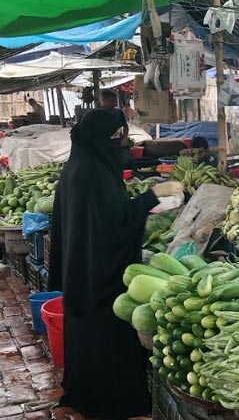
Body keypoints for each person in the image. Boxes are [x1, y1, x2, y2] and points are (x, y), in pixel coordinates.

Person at [48, 108, 183, 420]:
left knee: (85, 340)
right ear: (99, 138)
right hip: (100, 277)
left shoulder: (79, 166)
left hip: (82, 269)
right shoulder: (92, 174)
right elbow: (114, 225)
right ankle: (111, 401)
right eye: (116, 137)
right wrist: (153, 196)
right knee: (105, 339)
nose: (120, 144)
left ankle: (85, 392)